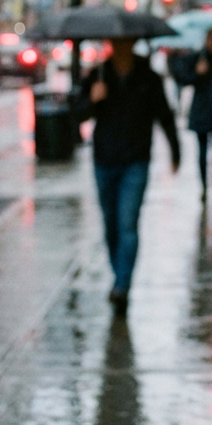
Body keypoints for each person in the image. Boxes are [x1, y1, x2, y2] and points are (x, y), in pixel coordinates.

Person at [77, 36, 181, 317]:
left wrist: (175, 151)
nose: (122, 47)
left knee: (127, 223)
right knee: (110, 224)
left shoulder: (148, 76)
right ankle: (119, 276)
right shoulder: (99, 73)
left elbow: (164, 115)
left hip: (136, 160)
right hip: (104, 160)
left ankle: (122, 285)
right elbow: (77, 114)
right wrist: (91, 99)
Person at [170, 27, 212, 201]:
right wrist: (197, 73)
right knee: (201, 153)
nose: (211, 45)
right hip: (202, 111)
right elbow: (183, 78)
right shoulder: (198, 57)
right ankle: (203, 187)